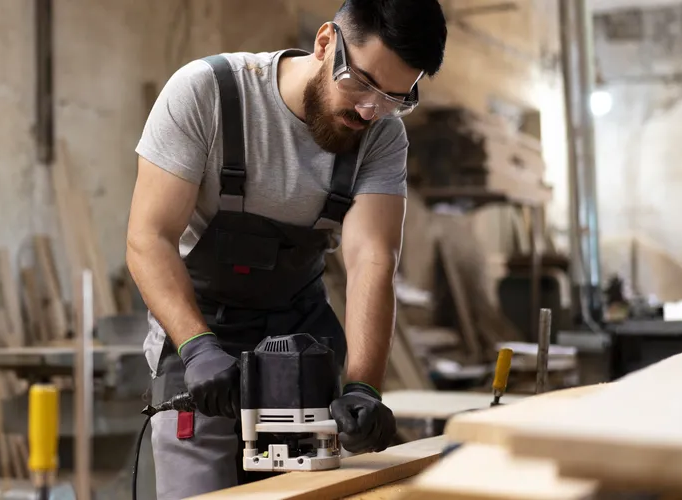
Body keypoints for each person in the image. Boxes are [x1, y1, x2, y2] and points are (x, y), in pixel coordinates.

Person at [125, 0, 447, 497]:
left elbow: (371, 262)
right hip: (200, 336)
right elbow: (149, 239)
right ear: (325, 43)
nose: (370, 110)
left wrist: (363, 386)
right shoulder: (209, 92)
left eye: (394, 98)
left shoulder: (381, 135)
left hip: (301, 344)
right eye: (361, 82)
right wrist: (197, 347)